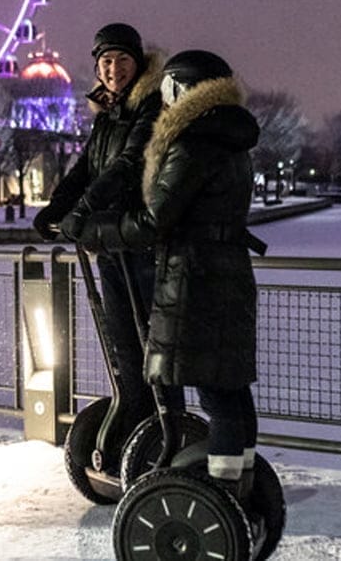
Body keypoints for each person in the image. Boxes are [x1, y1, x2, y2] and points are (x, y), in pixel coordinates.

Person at [75, 49, 266, 495]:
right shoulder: (232, 138)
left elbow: (155, 219)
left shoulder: (194, 141)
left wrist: (96, 229)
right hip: (229, 270)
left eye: (167, 91)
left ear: (182, 89)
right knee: (232, 389)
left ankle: (220, 493)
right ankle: (243, 480)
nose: (162, 101)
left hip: (195, 276)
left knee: (216, 395)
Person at [33, 22, 171, 445]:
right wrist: (56, 207)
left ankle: (167, 426)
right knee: (122, 344)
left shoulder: (150, 106)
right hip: (109, 242)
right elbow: (87, 167)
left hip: (140, 241)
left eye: (122, 59)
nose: (113, 69)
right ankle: (134, 421)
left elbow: (130, 163)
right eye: (106, 61)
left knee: (152, 343)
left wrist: (85, 208)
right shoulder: (108, 113)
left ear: (138, 62)